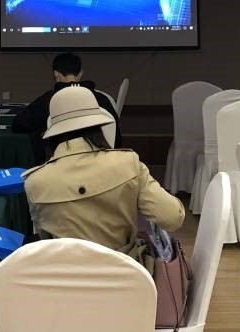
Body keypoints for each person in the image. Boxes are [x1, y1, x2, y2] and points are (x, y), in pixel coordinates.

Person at [23, 85, 183, 261]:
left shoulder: (35, 181)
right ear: (98, 125)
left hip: (64, 273)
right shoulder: (127, 163)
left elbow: (45, 239)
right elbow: (172, 218)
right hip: (125, 270)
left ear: (53, 133)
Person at [12, 52, 123, 162]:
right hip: (99, 161)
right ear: (80, 73)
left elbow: (19, 124)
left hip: (60, 162)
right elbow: (115, 134)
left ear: (56, 75)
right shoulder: (102, 99)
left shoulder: (49, 100)